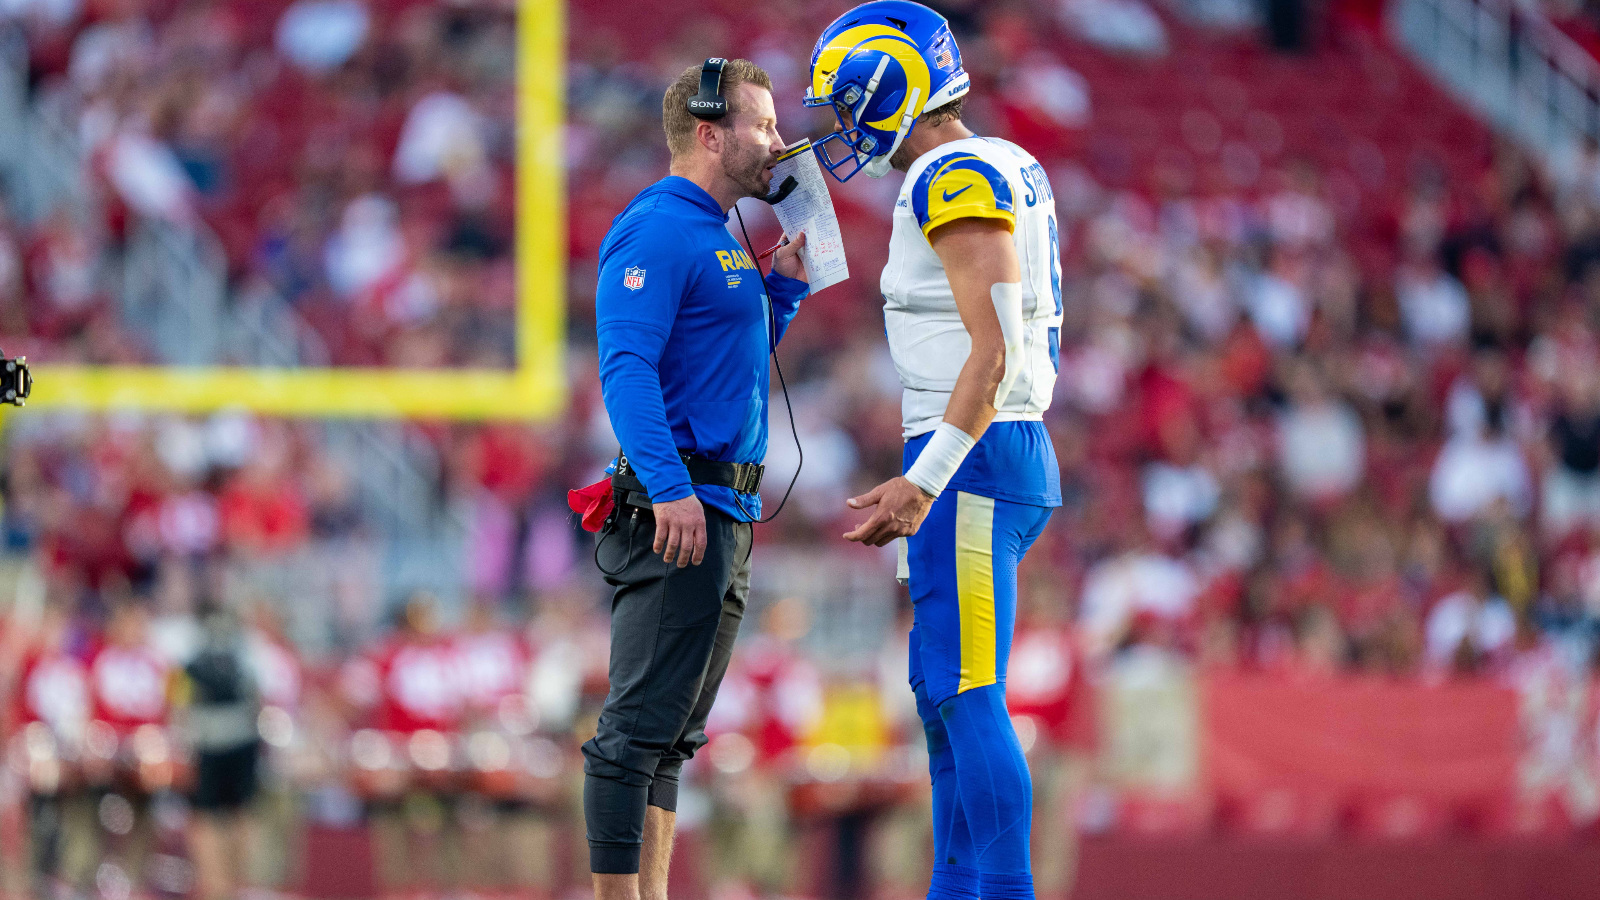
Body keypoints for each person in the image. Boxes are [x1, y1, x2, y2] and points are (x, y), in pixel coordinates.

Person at [807, 5, 1064, 899]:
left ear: (894, 86)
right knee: (941, 690)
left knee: (968, 690)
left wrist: (926, 477)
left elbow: (990, 356)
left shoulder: (951, 174)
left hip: (976, 457)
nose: (843, 124)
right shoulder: (998, 163)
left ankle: (1001, 891)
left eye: (848, 102)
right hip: (989, 452)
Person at [585, 56, 809, 900]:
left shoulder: (716, 232)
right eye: (762, 124)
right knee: (632, 734)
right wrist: (670, 483)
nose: (779, 143)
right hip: (682, 504)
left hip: (724, 503)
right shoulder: (659, 227)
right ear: (710, 133)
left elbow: (723, 374)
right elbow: (626, 366)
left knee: (673, 736)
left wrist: (779, 298)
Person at [177, 601, 263, 900]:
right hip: (206, 745)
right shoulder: (192, 666)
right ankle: (215, 884)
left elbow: (257, 700)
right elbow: (178, 705)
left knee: (240, 815)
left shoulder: (246, 660)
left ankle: (232, 883)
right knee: (206, 816)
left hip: (239, 744)